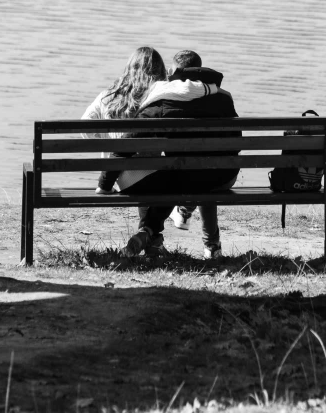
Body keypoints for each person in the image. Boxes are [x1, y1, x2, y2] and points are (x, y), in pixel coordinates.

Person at [101, 49, 240, 260]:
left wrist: (105, 183)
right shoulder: (223, 97)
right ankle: (206, 244)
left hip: (186, 179)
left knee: (172, 177)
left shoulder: (166, 98)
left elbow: (125, 145)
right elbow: (236, 142)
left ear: (173, 72)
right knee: (193, 175)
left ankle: (147, 232)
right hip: (225, 178)